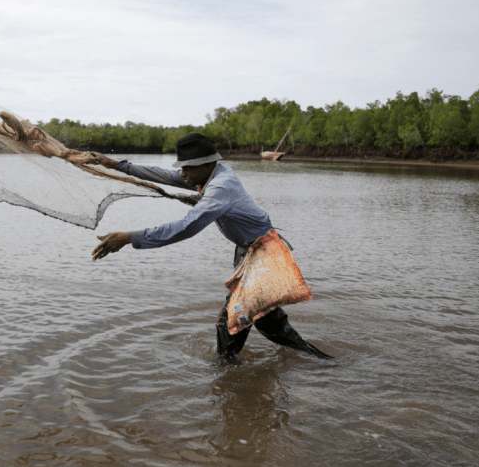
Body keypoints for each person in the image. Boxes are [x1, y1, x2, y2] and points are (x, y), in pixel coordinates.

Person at [89, 133, 332, 360]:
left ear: (206, 164)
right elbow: (163, 175)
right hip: (251, 252)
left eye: (187, 168)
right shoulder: (208, 176)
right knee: (266, 322)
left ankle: (224, 373)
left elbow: (188, 226)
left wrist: (130, 237)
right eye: (181, 167)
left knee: (232, 320)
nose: (182, 173)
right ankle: (318, 363)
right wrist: (115, 165)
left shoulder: (220, 187)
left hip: (263, 255)